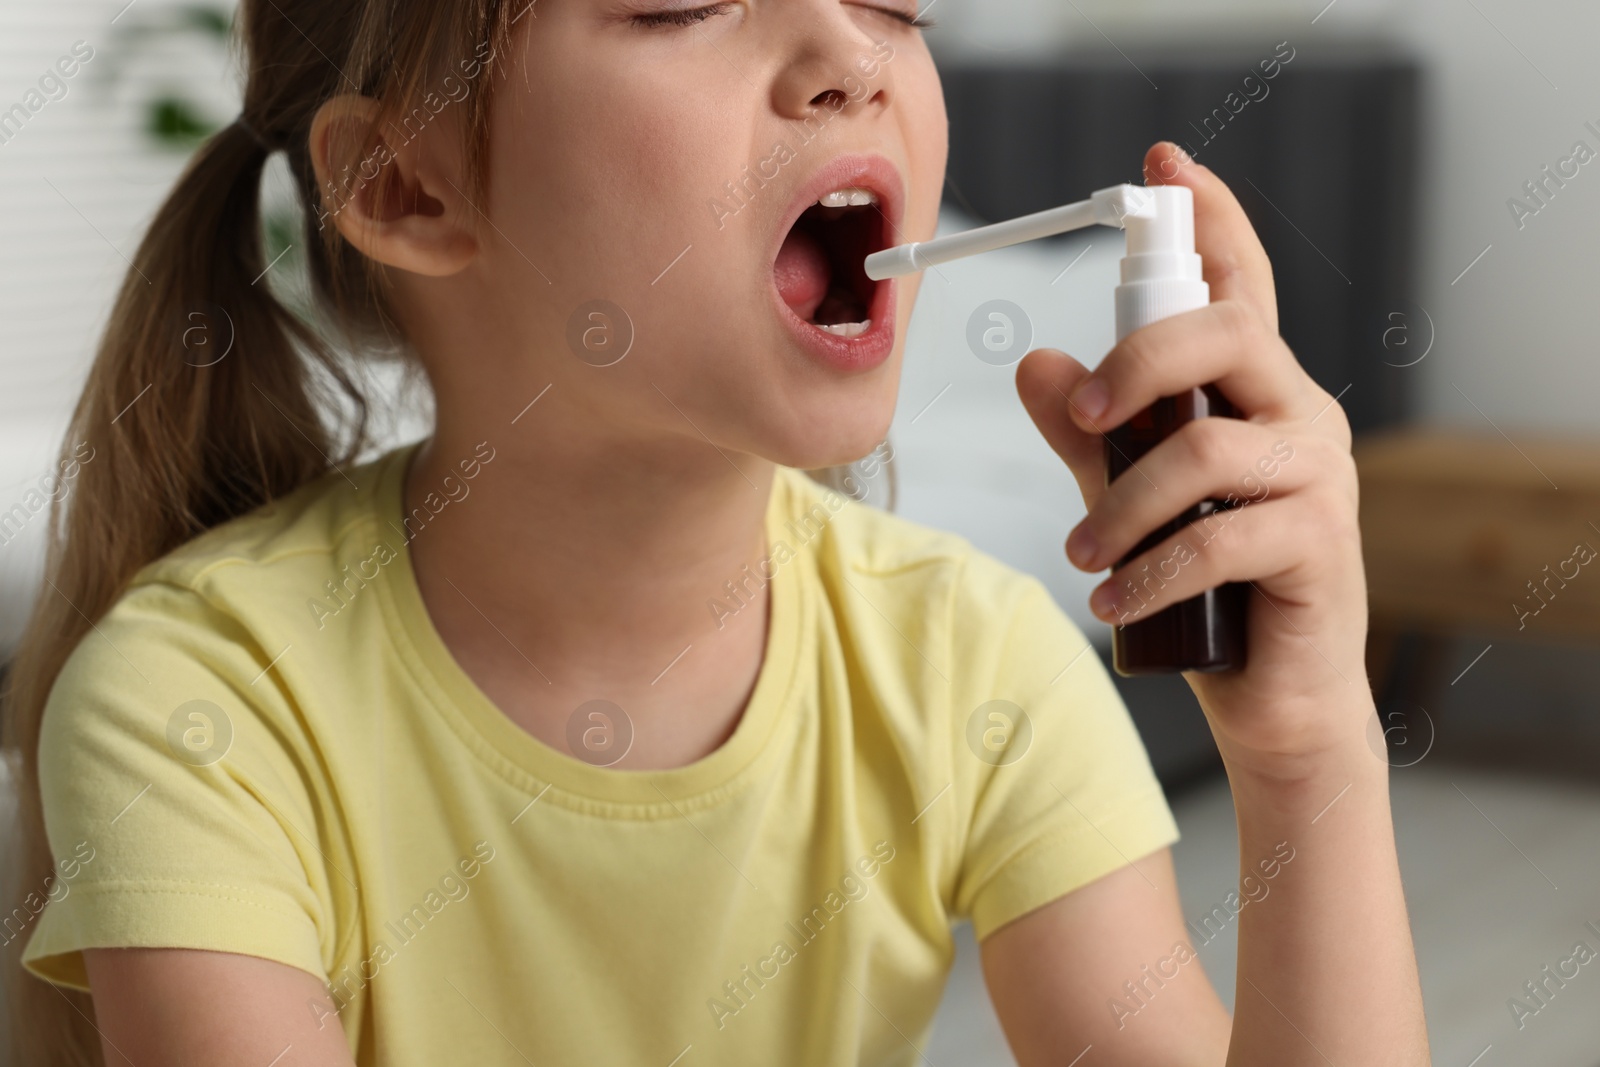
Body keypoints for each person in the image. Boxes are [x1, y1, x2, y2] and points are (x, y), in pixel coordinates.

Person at [4, 1, 1429, 1064]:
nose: (854, 57)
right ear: (406, 187)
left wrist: (1309, 757)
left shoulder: (972, 663)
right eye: (683, 1)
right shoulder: (202, 703)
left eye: (895, 2)